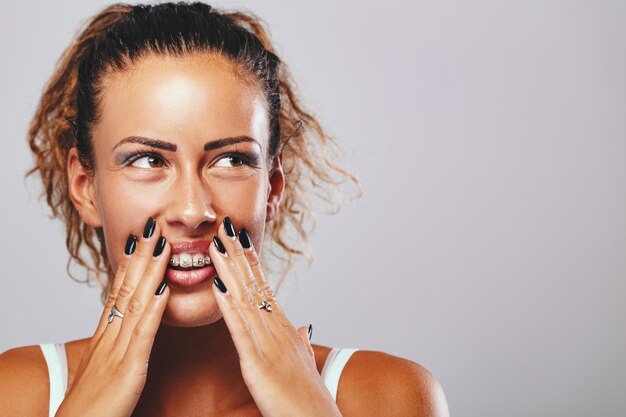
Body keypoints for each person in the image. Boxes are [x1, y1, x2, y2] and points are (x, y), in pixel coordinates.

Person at [0, 2, 449, 416]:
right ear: (85, 188)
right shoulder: (18, 393)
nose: (193, 210)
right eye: (148, 160)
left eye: (231, 160)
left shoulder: (387, 395)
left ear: (272, 186)